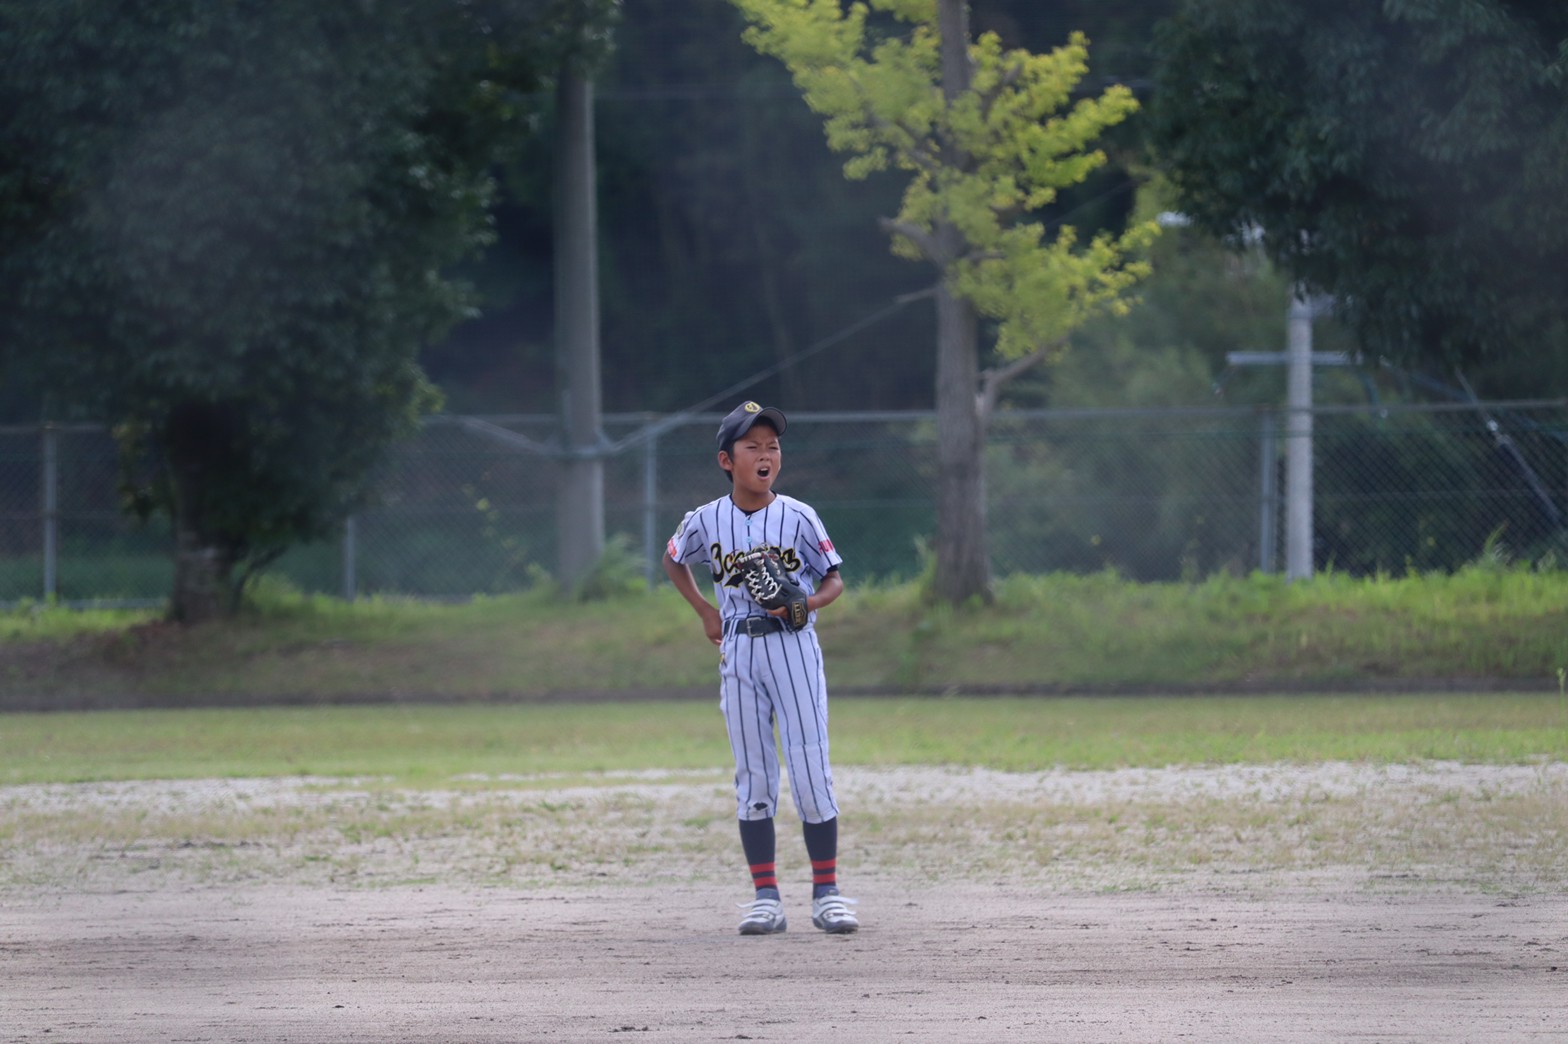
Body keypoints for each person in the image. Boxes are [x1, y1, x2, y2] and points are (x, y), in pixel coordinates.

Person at [661, 401, 859, 936]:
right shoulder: (706, 519)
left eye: (772, 446)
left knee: (811, 771)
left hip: (793, 647)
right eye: (753, 447)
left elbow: (834, 578)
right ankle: (765, 897)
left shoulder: (798, 515)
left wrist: (808, 605)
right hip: (739, 652)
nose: (766, 454)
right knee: (754, 777)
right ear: (728, 460)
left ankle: (827, 892)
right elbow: (673, 557)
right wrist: (705, 610)